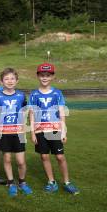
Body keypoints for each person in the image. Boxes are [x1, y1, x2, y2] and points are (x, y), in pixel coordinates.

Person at [29, 63, 79, 195]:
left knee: (60, 157)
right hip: (39, 130)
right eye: (42, 75)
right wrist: (32, 132)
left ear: (53, 76)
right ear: (38, 76)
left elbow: (62, 113)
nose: (44, 78)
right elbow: (32, 114)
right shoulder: (34, 94)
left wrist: (64, 131)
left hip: (55, 130)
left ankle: (67, 182)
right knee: (44, 156)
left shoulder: (57, 93)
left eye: (48, 75)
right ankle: (52, 182)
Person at [0, 68, 32, 197]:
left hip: (18, 132)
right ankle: (11, 182)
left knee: (21, 161)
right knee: (7, 158)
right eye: (6, 79)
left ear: (16, 80)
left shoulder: (21, 96)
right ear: (1, 81)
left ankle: (22, 182)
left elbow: (24, 112)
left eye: (12, 78)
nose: (9, 81)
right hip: (4, 133)